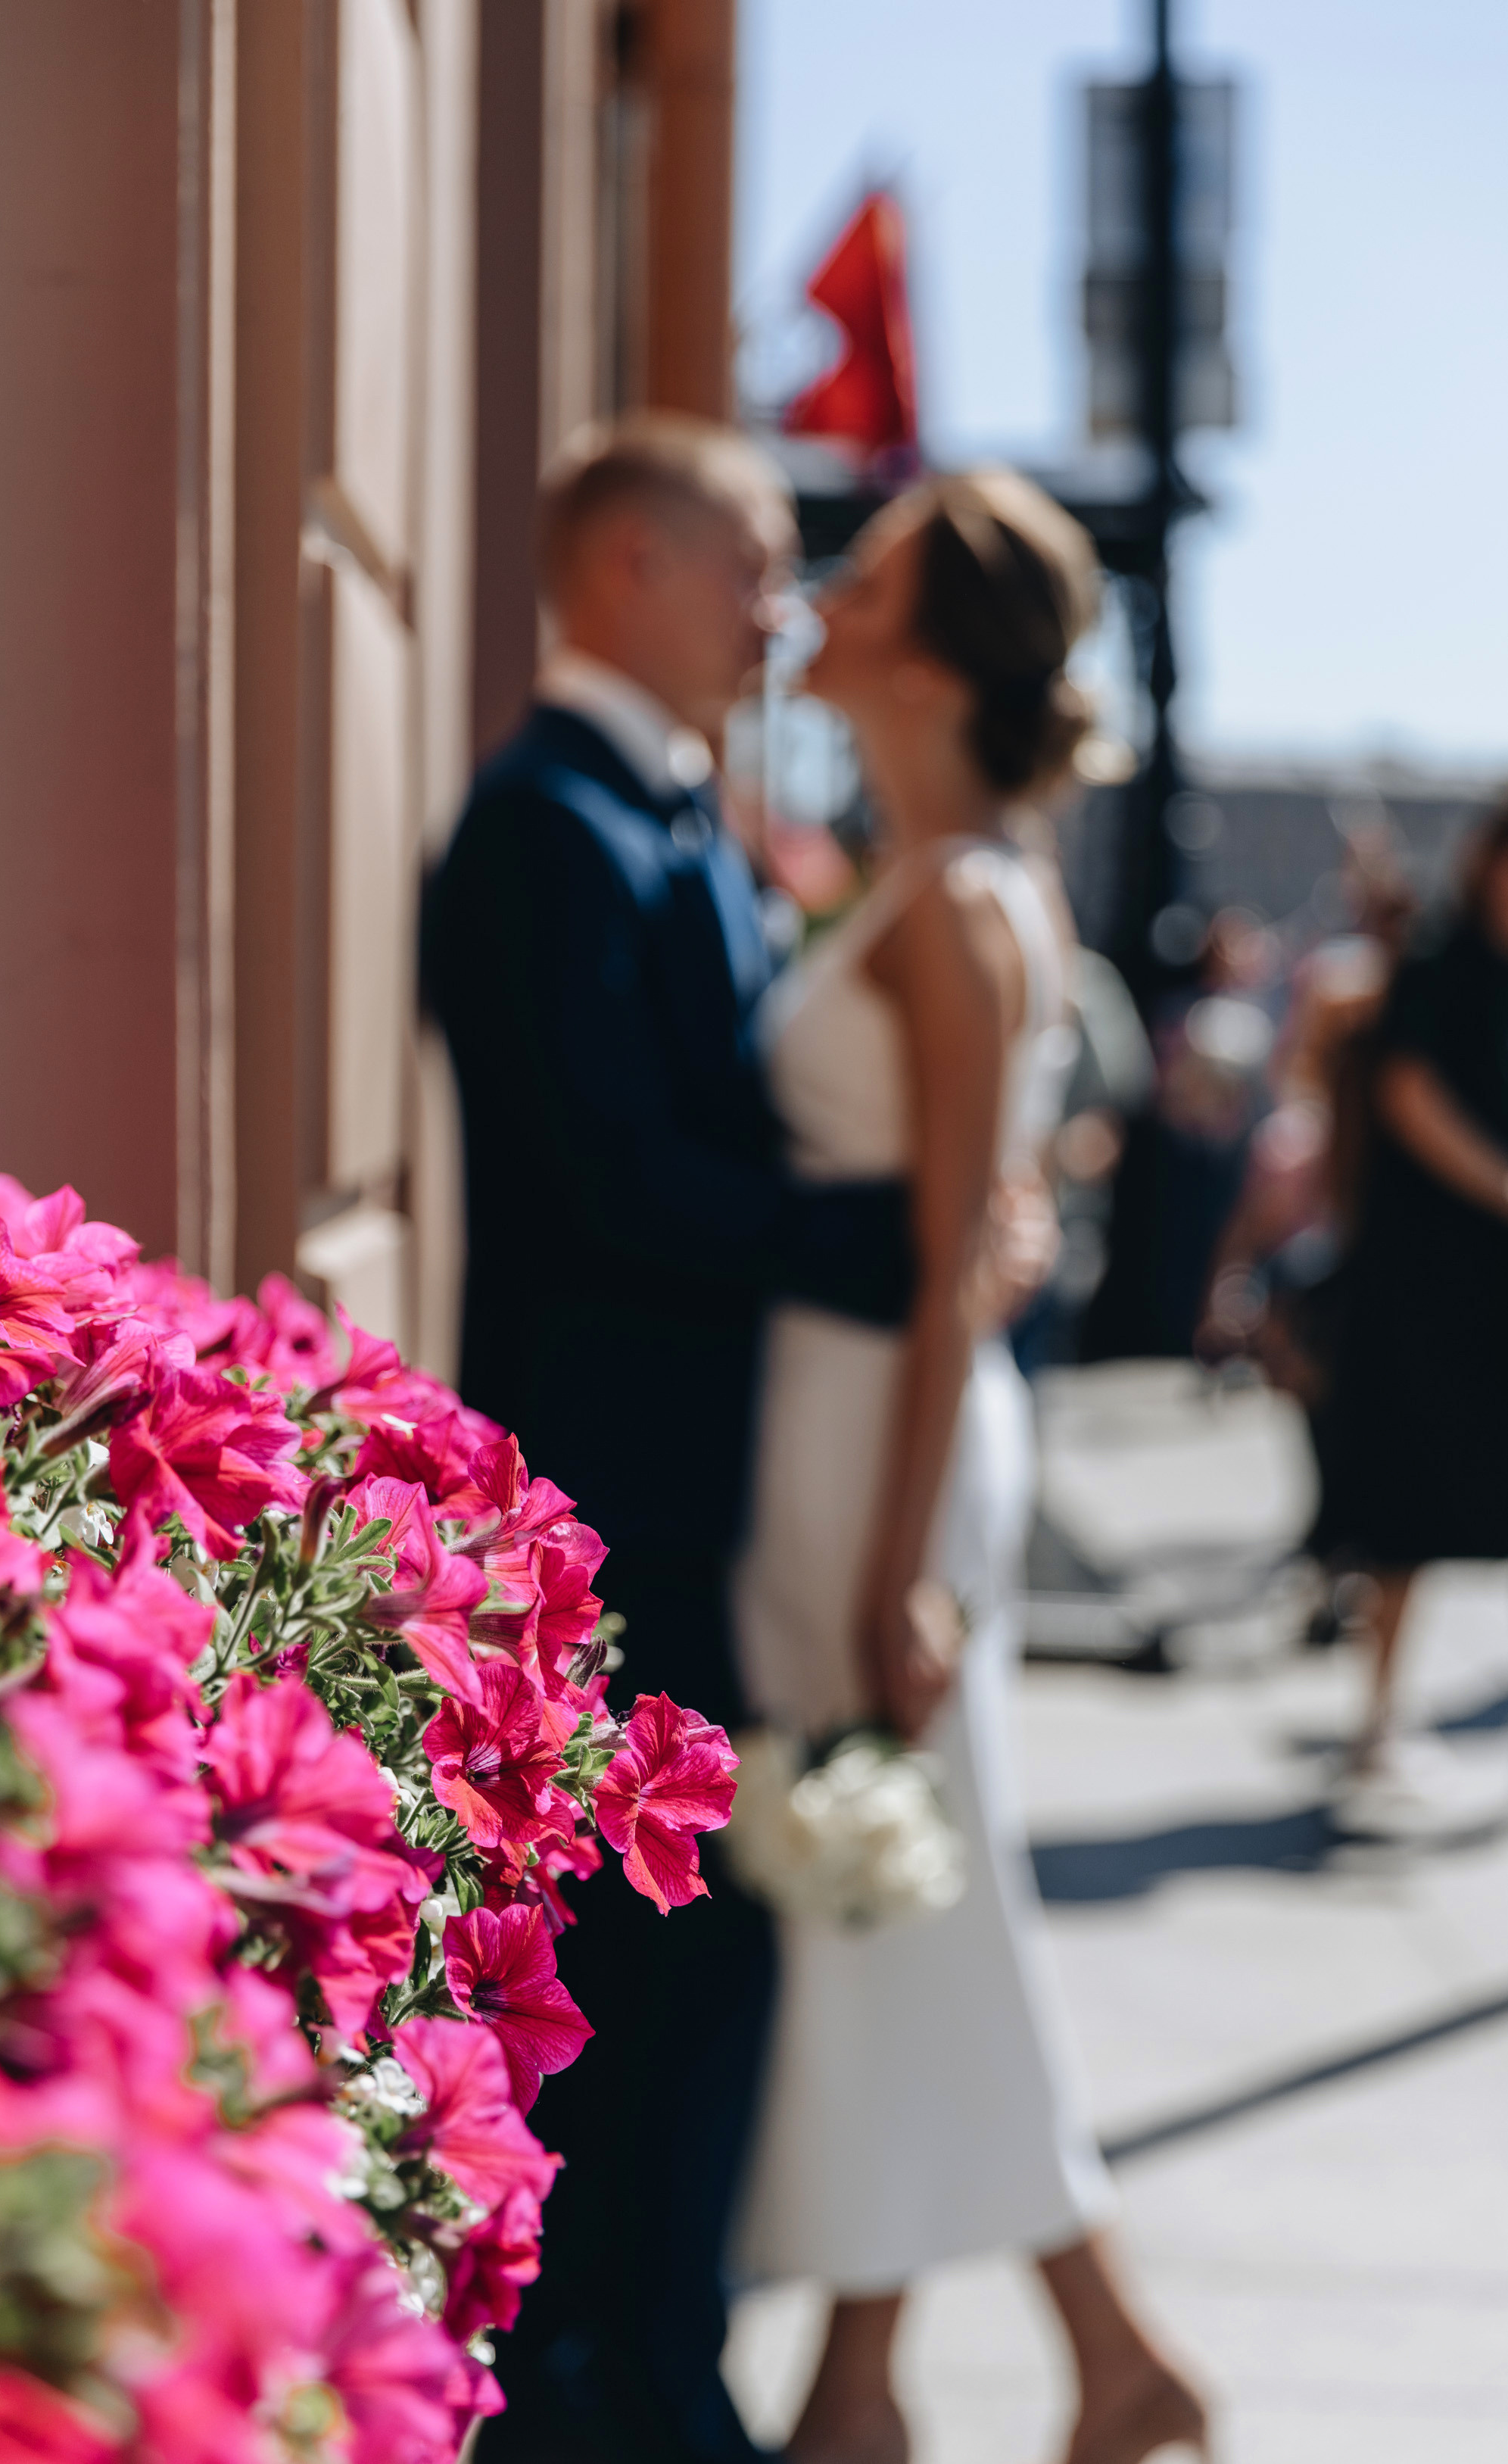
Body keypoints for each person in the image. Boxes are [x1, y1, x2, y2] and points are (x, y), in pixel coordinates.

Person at [422, 415, 920, 2464]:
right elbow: (609, 1181)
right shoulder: (544, 822)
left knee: (697, 1978)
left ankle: (660, 2355)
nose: (777, 606)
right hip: (608, 1508)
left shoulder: (674, 816)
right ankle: (609, 2383)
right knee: (636, 1982)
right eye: (746, 562)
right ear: (621, 569)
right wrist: (887, 1235)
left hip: (710, 1505)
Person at [731, 473, 1209, 2464]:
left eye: (869, 571)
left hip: (884, 1447)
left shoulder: (955, 903)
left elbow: (946, 1258)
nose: (825, 590)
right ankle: (973, 2370)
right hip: (876, 1424)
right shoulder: (950, 873)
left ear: (922, 655)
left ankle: (915, 2382)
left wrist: (892, 1566)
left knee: (886, 1886)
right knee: (906, 1890)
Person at [1310, 790, 1508, 1830]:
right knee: (1401, 1516)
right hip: (1423, 1289)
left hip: (1484, 1292)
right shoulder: (1437, 969)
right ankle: (1374, 1721)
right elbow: (1408, 1100)